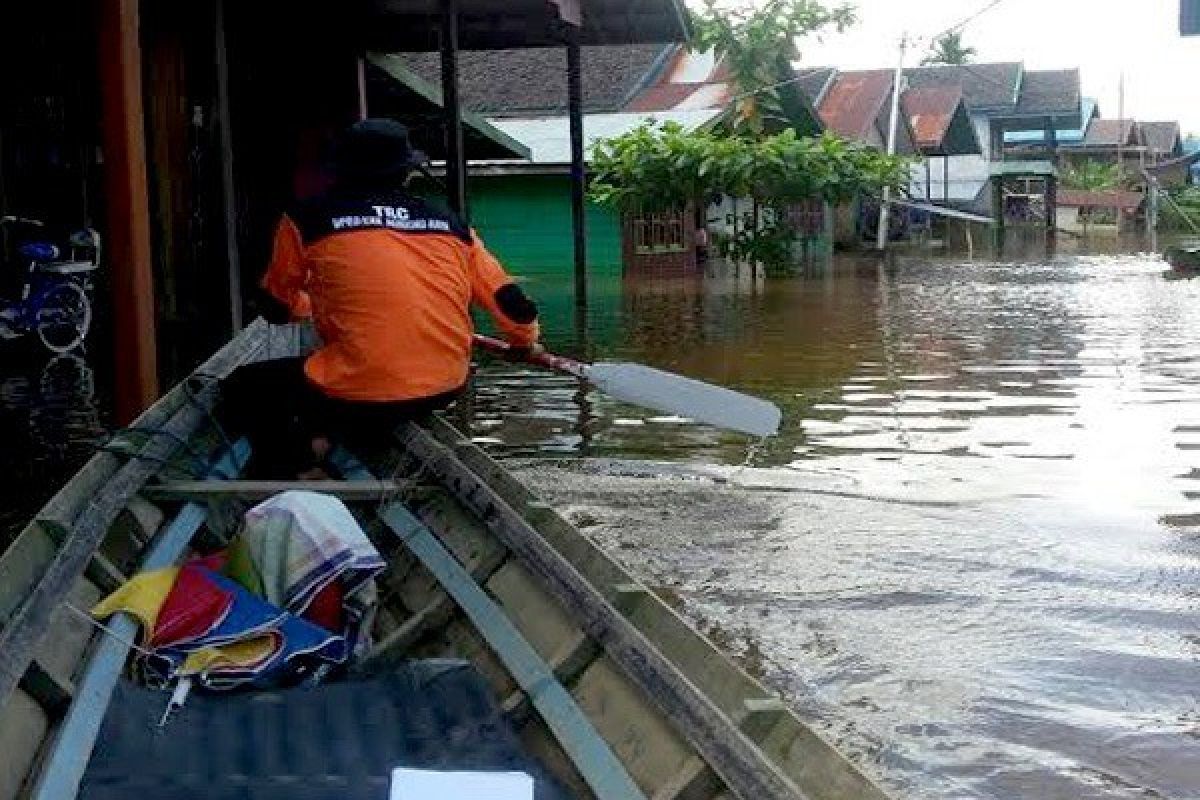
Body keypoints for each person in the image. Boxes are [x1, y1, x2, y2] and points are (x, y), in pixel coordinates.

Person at [218, 119, 541, 477]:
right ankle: (330, 435)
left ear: (339, 171)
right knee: (341, 383)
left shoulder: (306, 219)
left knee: (241, 388)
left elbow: (277, 309)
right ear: (405, 173)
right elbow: (513, 303)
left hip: (357, 391)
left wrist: (308, 307)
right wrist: (524, 343)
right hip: (445, 385)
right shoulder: (451, 224)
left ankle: (303, 463)